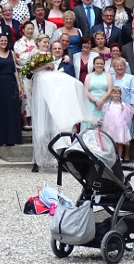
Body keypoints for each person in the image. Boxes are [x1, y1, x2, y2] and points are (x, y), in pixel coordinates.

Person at [24, 40, 87, 172]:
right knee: (41, 131)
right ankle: (38, 160)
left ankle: (61, 161)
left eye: (59, 48)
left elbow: (71, 83)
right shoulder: (42, 59)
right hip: (44, 100)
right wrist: (47, 64)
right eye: (55, 48)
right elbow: (30, 73)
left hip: (60, 102)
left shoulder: (67, 63)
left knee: (61, 130)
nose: (57, 50)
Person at [0, 32, 22, 148]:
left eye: (5, 41)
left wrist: (18, 85)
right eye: (1, 41)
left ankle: (12, 138)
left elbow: (15, 71)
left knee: (11, 110)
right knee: (0, 111)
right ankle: (0, 139)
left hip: (11, 82)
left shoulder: (11, 53)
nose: (3, 43)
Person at [101, 86, 134, 159]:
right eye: (114, 93)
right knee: (112, 143)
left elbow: (125, 116)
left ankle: (119, 157)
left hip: (120, 126)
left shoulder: (123, 105)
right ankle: (112, 157)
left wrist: (120, 122)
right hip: (111, 127)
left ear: (120, 94)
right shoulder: (108, 105)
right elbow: (106, 116)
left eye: (118, 93)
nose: (116, 95)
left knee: (120, 142)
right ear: (111, 94)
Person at [84, 54, 111, 125]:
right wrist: (96, 101)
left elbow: (110, 90)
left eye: (101, 64)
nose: (99, 65)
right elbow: (86, 91)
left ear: (104, 65)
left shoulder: (108, 75)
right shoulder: (88, 76)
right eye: (97, 63)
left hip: (104, 102)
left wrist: (101, 101)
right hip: (91, 103)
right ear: (93, 65)